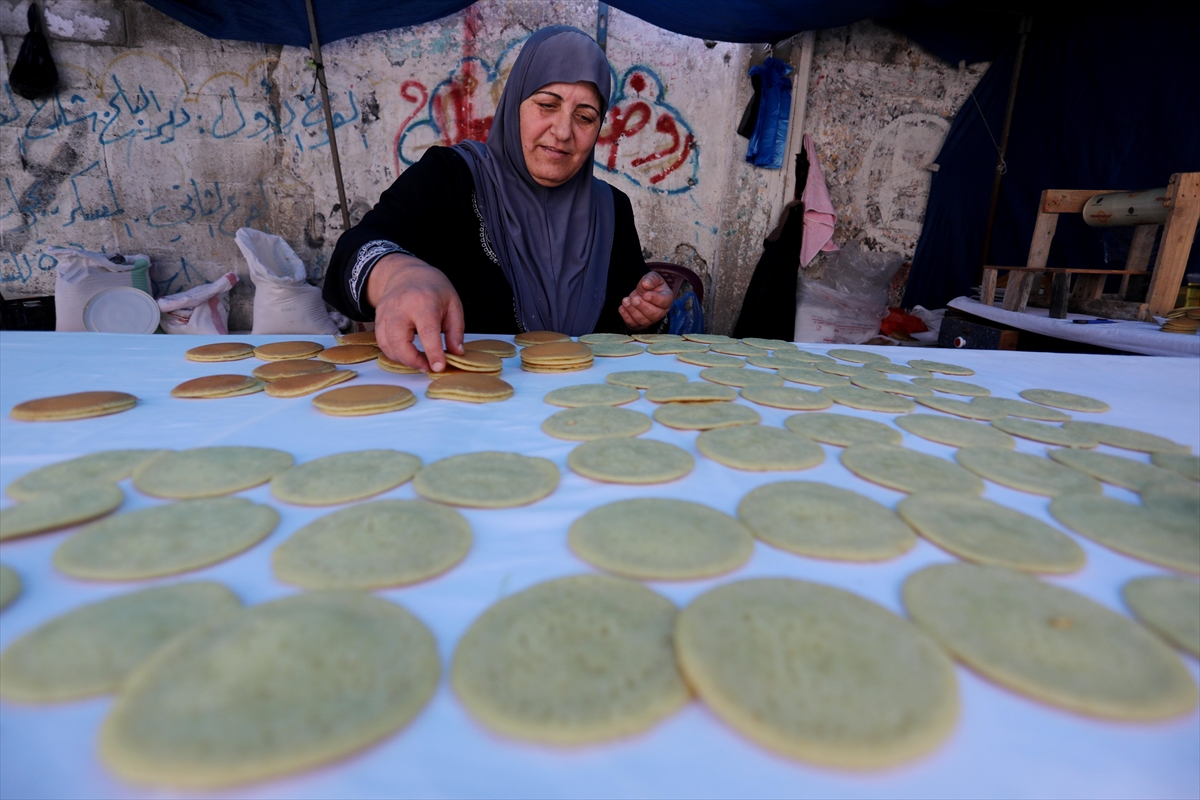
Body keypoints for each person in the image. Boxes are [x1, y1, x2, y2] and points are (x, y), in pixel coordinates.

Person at [322, 26, 674, 373]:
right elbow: (353, 253)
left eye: (585, 117)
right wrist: (399, 274)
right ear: (515, 103)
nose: (564, 132)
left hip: (581, 414)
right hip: (466, 409)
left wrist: (645, 315)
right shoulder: (451, 177)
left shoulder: (611, 209)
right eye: (547, 105)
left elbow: (621, 324)